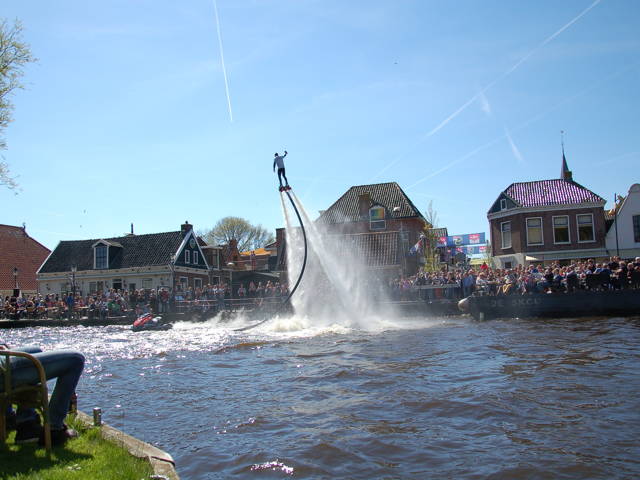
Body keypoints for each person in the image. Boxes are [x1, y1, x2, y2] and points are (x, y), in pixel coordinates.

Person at [1, 342, 85, 446]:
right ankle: (53, 429)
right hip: (2, 371)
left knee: (36, 350)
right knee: (76, 359)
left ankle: (26, 423)